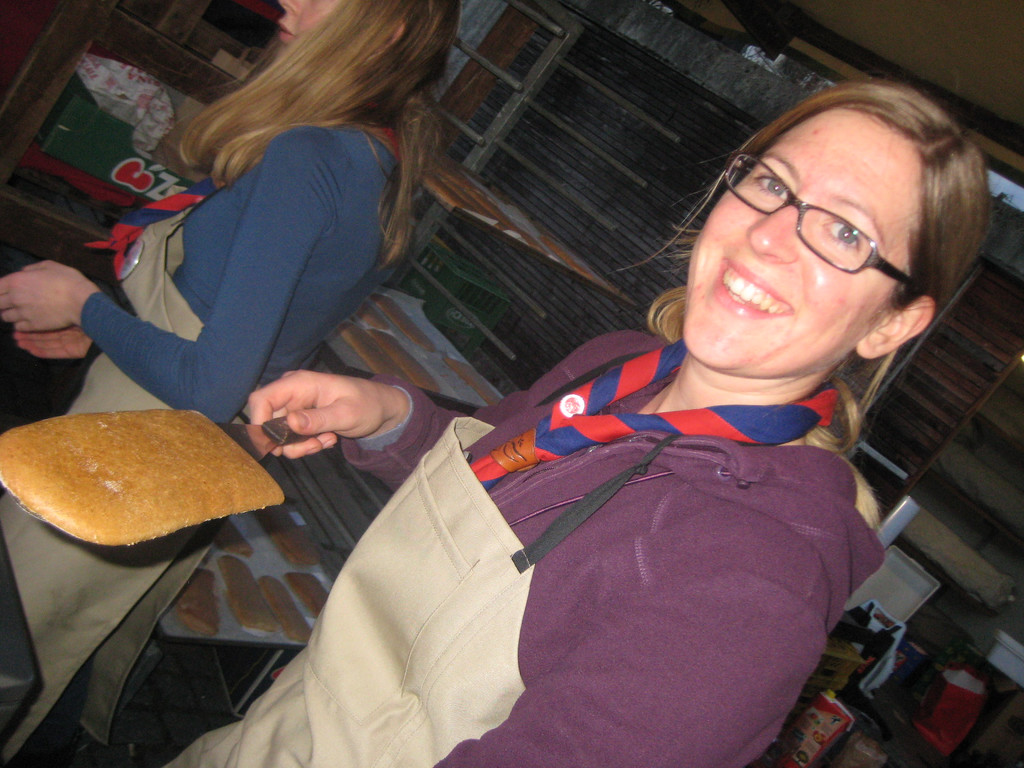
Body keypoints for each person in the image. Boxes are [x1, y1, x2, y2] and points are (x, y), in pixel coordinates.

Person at [188, 78, 987, 767]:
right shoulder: (620, 363)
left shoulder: (752, 583)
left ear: (892, 324)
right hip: (272, 728)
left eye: (846, 232)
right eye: (773, 184)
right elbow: (494, 488)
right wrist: (391, 418)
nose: (769, 235)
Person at [0, 0, 461, 762]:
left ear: (389, 28)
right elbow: (248, 326)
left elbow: (211, 380)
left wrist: (82, 302)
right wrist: (110, 331)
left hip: (143, 432)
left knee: (25, 625)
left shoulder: (310, 156)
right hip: (190, 443)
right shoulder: (380, 158)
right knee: (74, 629)